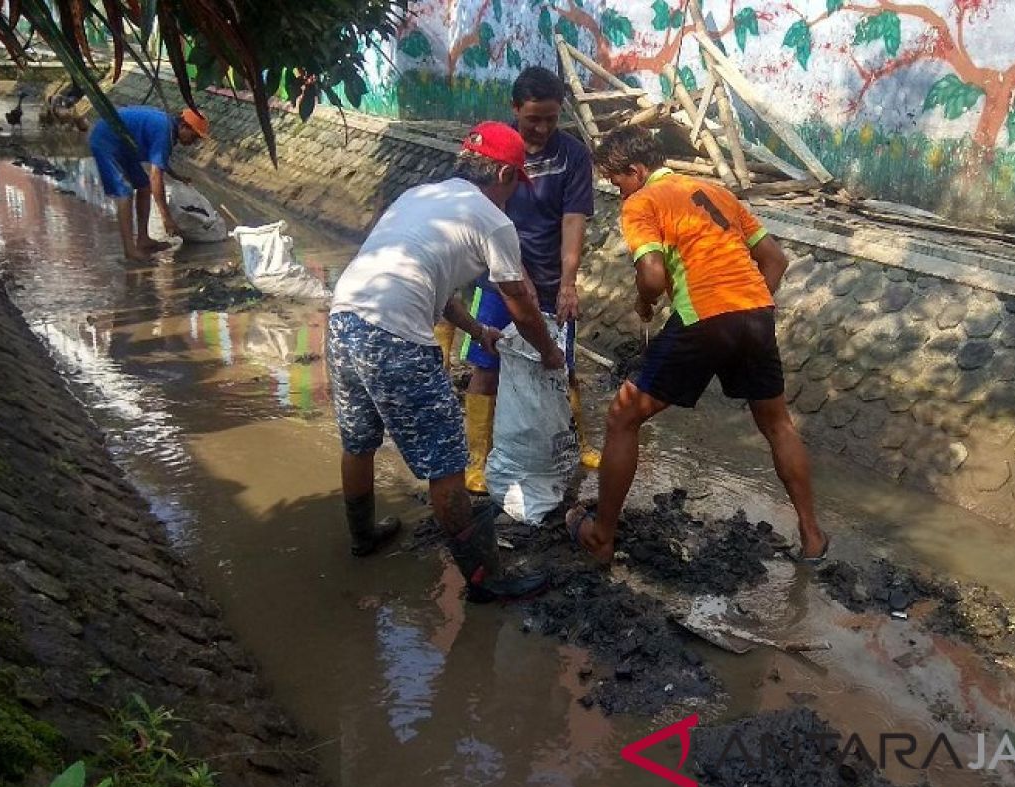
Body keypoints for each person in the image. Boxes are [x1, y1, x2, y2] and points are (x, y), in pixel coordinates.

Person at [566, 125, 829, 565]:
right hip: (756, 313)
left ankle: (601, 537)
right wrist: (746, 307)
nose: (618, 192)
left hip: (704, 317)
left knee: (622, 418)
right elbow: (776, 261)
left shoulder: (642, 204)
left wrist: (645, 300)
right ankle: (812, 536)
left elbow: (651, 274)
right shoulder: (715, 191)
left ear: (635, 171)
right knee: (778, 425)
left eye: (617, 182)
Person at [328, 121, 564, 602]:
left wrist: (479, 331)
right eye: (516, 180)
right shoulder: (493, 221)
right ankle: (484, 579)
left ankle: (363, 538)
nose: (515, 191)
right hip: (395, 338)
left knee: (359, 441)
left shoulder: (422, 195)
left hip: (344, 318)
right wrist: (550, 352)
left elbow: (431, 287)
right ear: (503, 173)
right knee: (447, 462)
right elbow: (519, 299)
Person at [461, 66, 601, 494]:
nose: (541, 128)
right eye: (532, 119)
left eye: (551, 119)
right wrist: (516, 280)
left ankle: (574, 443)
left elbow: (573, 220)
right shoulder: (495, 151)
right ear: (514, 109)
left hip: (550, 276)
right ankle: (478, 460)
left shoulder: (573, 155)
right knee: (486, 366)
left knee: (562, 365)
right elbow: (490, 217)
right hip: (496, 280)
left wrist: (567, 284)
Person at [88, 105, 208, 262]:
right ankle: (130, 251)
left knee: (144, 187)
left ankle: (143, 239)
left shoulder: (166, 127)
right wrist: (167, 218)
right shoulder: (164, 132)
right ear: (184, 126)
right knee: (124, 193)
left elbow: (159, 160)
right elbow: (156, 176)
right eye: (194, 136)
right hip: (106, 142)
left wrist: (176, 176)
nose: (193, 142)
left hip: (122, 146)